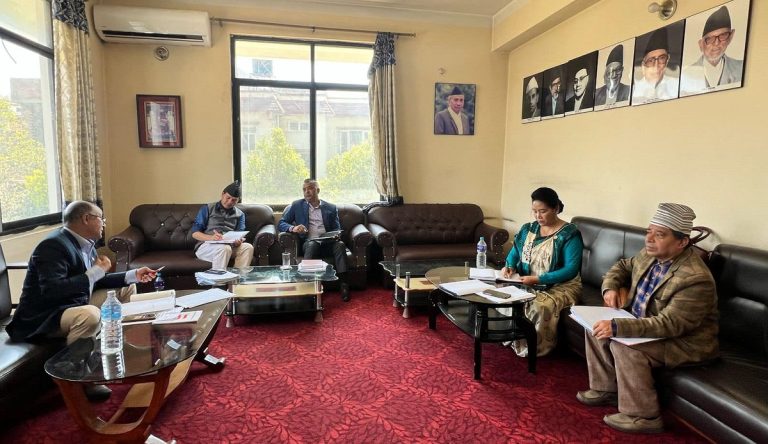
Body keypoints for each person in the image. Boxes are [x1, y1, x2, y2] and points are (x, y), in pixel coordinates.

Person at [576, 203, 718, 434]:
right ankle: (606, 390)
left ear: (682, 242)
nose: (649, 239)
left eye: (659, 235)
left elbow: (671, 324)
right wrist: (610, 287)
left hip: (683, 341)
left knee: (626, 347)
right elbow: (622, 266)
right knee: (595, 326)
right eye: (648, 232)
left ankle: (643, 416)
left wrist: (619, 327)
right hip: (646, 324)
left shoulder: (694, 278)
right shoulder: (649, 254)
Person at [6, 201, 158, 400]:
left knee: (126, 287)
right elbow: (53, 290)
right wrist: (96, 271)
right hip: (46, 314)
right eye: (101, 218)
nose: (104, 223)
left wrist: (133, 275)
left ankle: (126, 348)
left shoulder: (86, 243)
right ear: (86, 219)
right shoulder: (52, 246)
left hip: (73, 302)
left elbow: (96, 280)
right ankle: (81, 377)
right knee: (89, 315)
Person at [498, 187, 583, 357]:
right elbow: (515, 253)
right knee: (503, 292)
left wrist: (538, 279)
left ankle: (533, 347)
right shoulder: (528, 229)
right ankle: (511, 337)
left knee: (537, 306)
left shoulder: (569, 234)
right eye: (535, 211)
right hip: (528, 279)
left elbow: (571, 269)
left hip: (560, 284)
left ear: (556, 208)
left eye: (543, 211)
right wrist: (509, 266)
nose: (538, 216)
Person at [278, 179, 350, 301]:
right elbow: (281, 223)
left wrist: (336, 235)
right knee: (312, 245)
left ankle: (344, 285)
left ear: (318, 190)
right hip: (309, 242)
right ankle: (306, 285)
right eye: (304, 189)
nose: (307, 191)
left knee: (340, 245)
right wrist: (294, 228)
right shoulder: (297, 205)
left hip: (328, 243)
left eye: (310, 188)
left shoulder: (331, 208)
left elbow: (337, 228)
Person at [681, 5, 743, 95]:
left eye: (723, 35)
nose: (716, 43)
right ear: (701, 45)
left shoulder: (740, 68)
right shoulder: (685, 75)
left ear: (731, 36)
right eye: (709, 39)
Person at [192, 181, 254, 270]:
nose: (229, 202)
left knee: (248, 247)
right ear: (222, 194)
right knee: (225, 248)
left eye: (234, 200)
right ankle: (219, 278)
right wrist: (211, 237)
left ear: (238, 200)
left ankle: (238, 277)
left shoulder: (240, 214)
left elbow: (240, 235)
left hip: (229, 246)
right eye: (228, 198)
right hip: (206, 247)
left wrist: (238, 241)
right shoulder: (207, 208)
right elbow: (195, 233)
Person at [632, 27, 679, 104]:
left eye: (662, 58)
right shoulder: (634, 90)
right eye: (651, 61)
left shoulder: (676, 85)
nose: (656, 66)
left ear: (667, 61)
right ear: (643, 66)